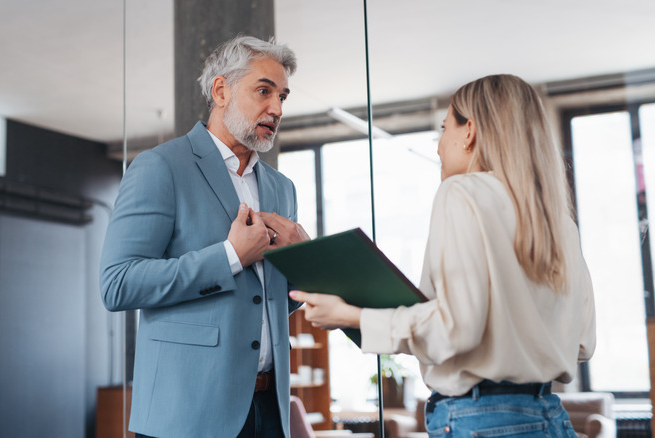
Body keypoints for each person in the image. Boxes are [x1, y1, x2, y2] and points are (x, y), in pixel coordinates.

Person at [290, 74, 596, 438]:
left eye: (444, 127)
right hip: (550, 418)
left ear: (470, 132)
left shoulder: (462, 193)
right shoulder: (559, 221)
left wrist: (353, 315)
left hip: (482, 421)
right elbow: (582, 342)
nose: (438, 146)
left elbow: (457, 328)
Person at [100, 35, 310, 438]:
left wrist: (302, 266)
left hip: (270, 412)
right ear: (221, 90)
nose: (277, 109)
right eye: (264, 91)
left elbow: (263, 304)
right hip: (186, 414)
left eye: (283, 96)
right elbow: (117, 284)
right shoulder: (160, 167)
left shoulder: (283, 189)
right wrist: (230, 255)